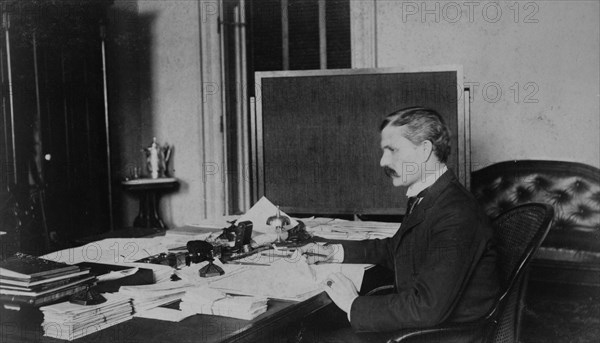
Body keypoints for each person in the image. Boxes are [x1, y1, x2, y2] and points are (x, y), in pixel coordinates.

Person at [299, 107, 500, 332]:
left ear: (425, 150)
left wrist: (353, 304)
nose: (383, 161)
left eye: (392, 150)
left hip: (445, 336)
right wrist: (334, 252)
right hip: (426, 325)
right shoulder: (433, 196)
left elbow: (426, 309)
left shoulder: (456, 212)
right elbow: (396, 249)